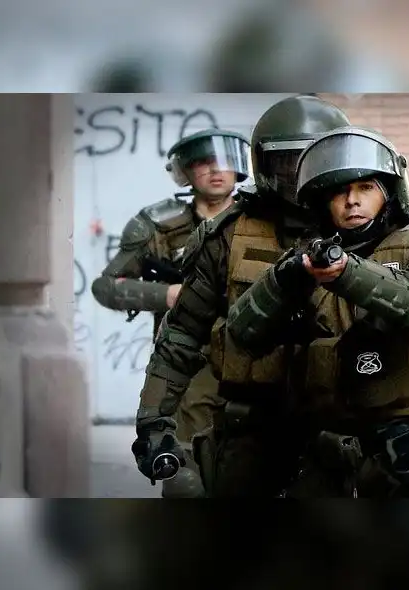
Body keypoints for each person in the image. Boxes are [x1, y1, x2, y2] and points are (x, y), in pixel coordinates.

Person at [226, 125, 409, 497]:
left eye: (365, 188)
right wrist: (286, 278)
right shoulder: (304, 259)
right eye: (339, 191)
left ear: (389, 193)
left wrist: (346, 271)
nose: (352, 201)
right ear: (322, 202)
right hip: (319, 449)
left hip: (405, 449)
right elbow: (243, 332)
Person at [130, 95, 354, 497]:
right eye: (289, 162)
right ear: (263, 164)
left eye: (315, 160)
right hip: (249, 429)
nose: (302, 176)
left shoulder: (369, 229)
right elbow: (181, 336)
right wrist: (153, 421)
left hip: (343, 429)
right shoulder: (227, 235)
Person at [91, 128, 250, 497]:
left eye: (225, 161)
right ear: (185, 171)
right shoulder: (158, 226)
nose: (216, 170)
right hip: (188, 363)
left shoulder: (259, 222)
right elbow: (106, 286)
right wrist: (167, 294)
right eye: (204, 162)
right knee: (186, 472)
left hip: (252, 359)